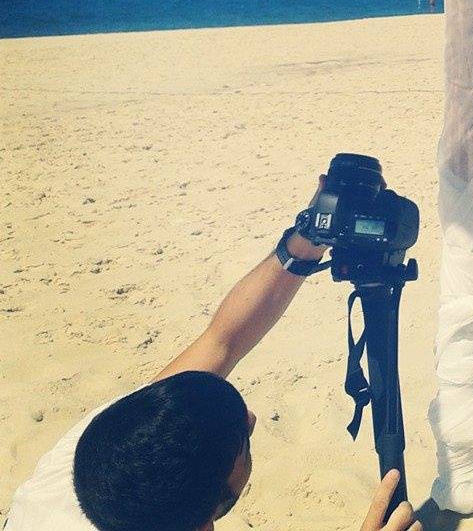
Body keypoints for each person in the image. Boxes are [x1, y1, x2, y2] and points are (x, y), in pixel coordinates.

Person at [4, 176, 422, 531]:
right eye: (239, 443)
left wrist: (303, 243)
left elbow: (222, 340)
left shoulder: (87, 461)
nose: (249, 418)